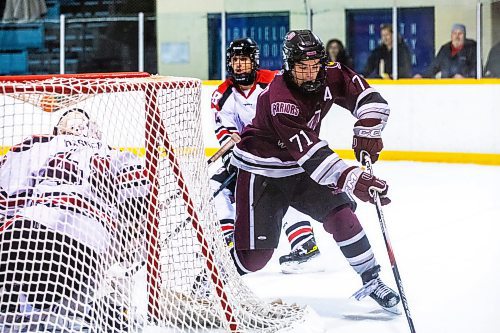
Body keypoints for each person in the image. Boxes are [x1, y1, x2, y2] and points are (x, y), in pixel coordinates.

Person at [229, 29, 401, 312]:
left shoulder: (330, 73)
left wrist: (368, 127)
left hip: (300, 170)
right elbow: (312, 155)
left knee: (341, 215)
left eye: (314, 66)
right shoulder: (280, 98)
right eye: (302, 68)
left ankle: (371, 280)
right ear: (288, 65)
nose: (310, 74)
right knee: (255, 259)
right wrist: (352, 178)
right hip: (263, 173)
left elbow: (368, 97)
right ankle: (214, 276)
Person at [0, 109, 149, 331]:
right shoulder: (118, 155)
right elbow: (139, 208)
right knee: (65, 300)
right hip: (85, 258)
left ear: (57, 131)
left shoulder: (39, 144)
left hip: (27, 235)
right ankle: (89, 313)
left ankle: (15, 313)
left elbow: (5, 200)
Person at [210, 37, 322, 274]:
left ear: (255, 61)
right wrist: (235, 154)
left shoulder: (272, 82)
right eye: (235, 60)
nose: (239, 65)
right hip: (248, 156)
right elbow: (226, 131)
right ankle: (229, 237)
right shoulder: (222, 94)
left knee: (281, 187)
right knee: (214, 189)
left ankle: (303, 241)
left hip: (281, 153)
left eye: (244, 60)